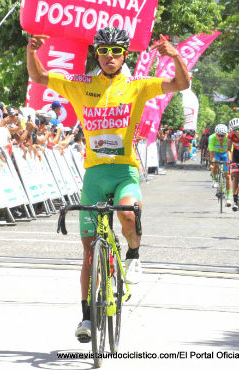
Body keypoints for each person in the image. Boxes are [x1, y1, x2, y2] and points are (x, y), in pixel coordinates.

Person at [27, 27, 189, 342]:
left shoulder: (137, 86)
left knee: (129, 215)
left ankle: (133, 255)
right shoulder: (80, 83)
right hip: (94, 175)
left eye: (116, 51)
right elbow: (40, 77)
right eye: (104, 50)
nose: (110, 56)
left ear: (125, 55)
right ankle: (87, 317)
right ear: (97, 53)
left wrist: (175, 56)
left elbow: (181, 83)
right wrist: (31, 50)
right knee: (88, 252)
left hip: (124, 171)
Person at [208, 124, 232, 206]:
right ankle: (215, 179)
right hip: (217, 154)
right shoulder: (212, 138)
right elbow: (212, 153)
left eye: (223, 135)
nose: (221, 137)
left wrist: (230, 162)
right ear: (216, 134)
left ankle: (228, 198)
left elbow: (230, 151)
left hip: (225, 154)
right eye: (219, 135)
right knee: (215, 164)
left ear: (226, 134)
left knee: (228, 176)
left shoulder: (229, 138)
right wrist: (212, 162)